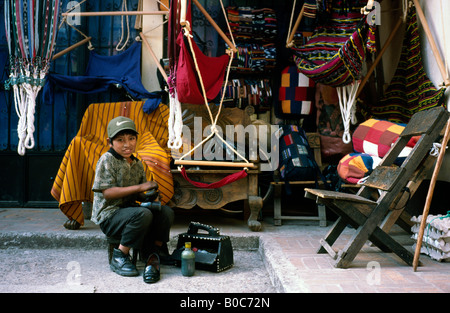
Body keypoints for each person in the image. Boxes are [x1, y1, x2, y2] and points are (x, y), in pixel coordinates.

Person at [91, 116, 174, 283]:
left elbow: (139, 194)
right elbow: (107, 193)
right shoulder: (107, 160)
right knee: (143, 214)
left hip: (129, 211)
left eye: (131, 138)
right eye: (120, 140)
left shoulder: (136, 163)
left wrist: (148, 195)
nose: (126, 144)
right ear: (110, 142)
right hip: (109, 215)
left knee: (165, 211)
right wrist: (140, 188)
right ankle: (120, 255)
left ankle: (154, 251)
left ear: (136, 140)